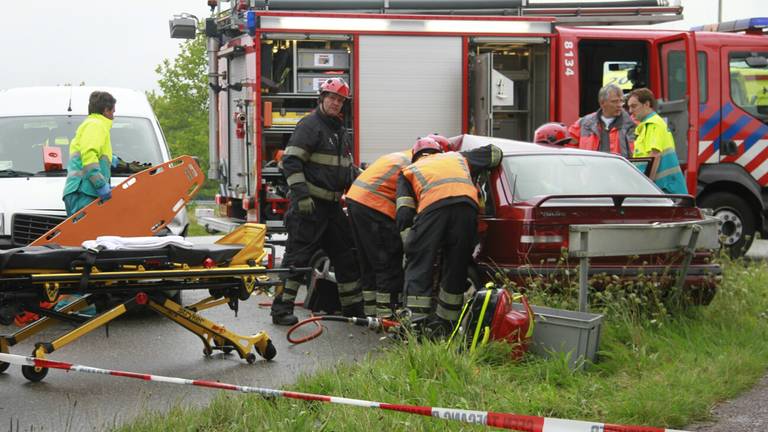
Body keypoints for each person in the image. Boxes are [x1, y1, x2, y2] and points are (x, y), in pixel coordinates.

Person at [271, 77, 364, 326]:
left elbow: (344, 167)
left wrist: (363, 180)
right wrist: (301, 196)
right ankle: (281, 310)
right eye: (332, 98)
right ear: (321, 99)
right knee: (296, 259)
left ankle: (353, 309)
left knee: (345, 257)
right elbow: (291, 162)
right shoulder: (310, 126)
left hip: (332, 209)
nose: (335, 103)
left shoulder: (339, 130)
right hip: (309, 207)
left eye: (340, 100)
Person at [396, 137, 503, 337]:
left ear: (416, 156)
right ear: (439, 151)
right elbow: (495, 153)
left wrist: (410, 244)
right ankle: (447, 326)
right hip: (466, 210)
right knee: (456, 266)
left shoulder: (409, 171)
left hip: (433, 210)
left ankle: (415, 326)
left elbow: (403, 213)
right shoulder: (458, 158)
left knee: (419, 265)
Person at [62, 91, 116, 216]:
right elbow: (89, 155)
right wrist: (100, 184)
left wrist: (112, 160)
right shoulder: (96, 125)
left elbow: (92, 153)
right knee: (86, 235)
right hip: (84, 192)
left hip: (81, 191)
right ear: (106, 110)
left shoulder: (91, 124)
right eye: (113, 112)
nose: (114, 116)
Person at [626, 88, 687, 194]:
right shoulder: (649, 125)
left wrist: (647, 185)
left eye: (634, 106)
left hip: (663, 189)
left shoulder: (653, 124)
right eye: (629, 107)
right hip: (663, 188)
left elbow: (654, 155)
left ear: (646, 104)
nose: (630, 111)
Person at [568, 83, 635, 157]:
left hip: (619, 168)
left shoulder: (631, 124)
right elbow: (569, 147)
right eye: (614, 101)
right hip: (590, 168)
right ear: (602, 103)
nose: (619, 105)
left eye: (621, 101)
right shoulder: (584, 123)